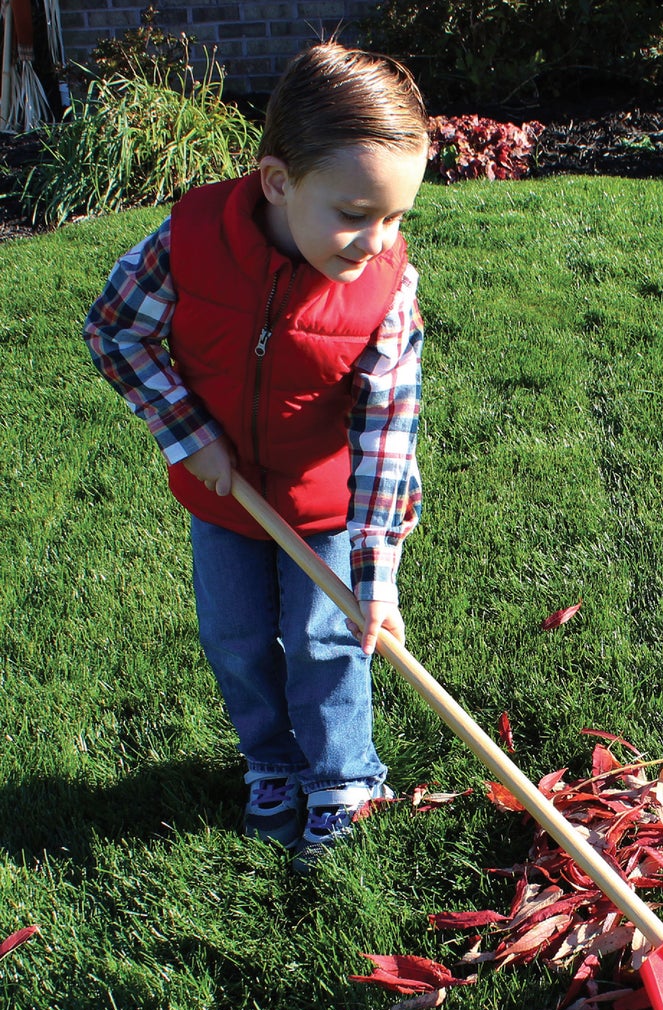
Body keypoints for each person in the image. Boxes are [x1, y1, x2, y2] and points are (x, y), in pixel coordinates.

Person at [83, 41, 429, 873]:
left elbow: (388, 433)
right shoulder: (190, 241)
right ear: (277, 181)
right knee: (234, 637)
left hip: (327, 505)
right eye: (355, 213)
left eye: (395, 218)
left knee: (327, 641)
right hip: (224, 491)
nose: (376, 241)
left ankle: (343, 777)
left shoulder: (385, 290)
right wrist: (188, 432)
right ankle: (272, 763)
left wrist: (376, 578)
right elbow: (116, 330)